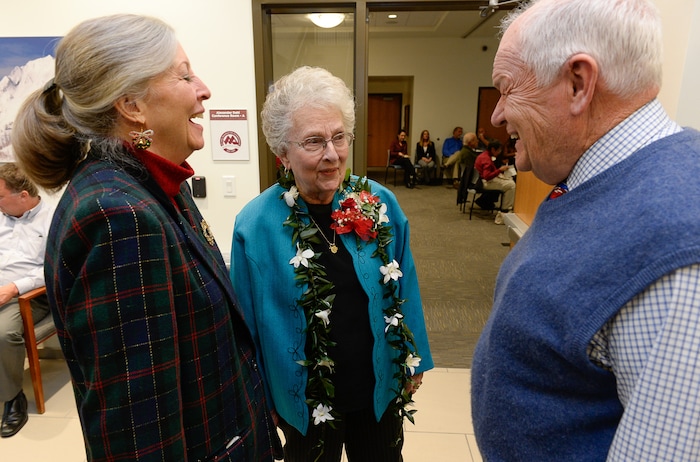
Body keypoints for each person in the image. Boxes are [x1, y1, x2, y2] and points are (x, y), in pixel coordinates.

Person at [11, 14, 279, 461]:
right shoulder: (117, 218)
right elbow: (139, 435)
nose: (204, 89)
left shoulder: (157, 188)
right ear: (132, 105)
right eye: (185, 74)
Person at [472, 0, 700, 460]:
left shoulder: (678, 245)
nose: (497, 116)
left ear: (578, 83)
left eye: (507, 90)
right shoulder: (594, 179)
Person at [231, 66, 433, 462]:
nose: (332, 154)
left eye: (339, 137)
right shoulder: (255, 225)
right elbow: (246, 324)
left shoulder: (379, 201)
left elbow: (404, 281)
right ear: (282, 154)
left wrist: (414, 358)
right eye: (313, 141)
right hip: (303, 398)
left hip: (377, 383)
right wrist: (258, 396)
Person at [0, 163, 54, 438]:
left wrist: (12, 288)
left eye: (0, 196)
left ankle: (13, 398)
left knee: (4, 333)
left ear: (23, 195)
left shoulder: (52, 219)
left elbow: (51, 269)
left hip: (28, 296)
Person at [474, 140, 515, 224]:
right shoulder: (486, 159)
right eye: (499, 150)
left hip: (482, 180)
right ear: (493, 149)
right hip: (485, 182)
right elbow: (487, 176)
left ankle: (505, 209)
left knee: (509, 181)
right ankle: (504, 211)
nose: (500, 152)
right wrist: (499, 170)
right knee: (511, 185)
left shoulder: (484, 155)